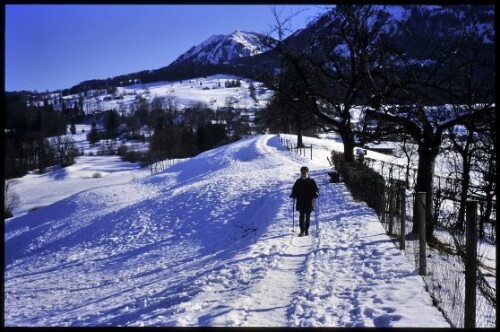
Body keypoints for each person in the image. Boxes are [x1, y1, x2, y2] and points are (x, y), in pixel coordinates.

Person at [290, 166, 319, 237]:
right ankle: (302, 231)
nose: (303, 173)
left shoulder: (312, 181)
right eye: (302, 172)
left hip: (309, 201)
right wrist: (293, 194)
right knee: (301, 217)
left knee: (308, 217)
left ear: (307, 172)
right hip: (300, 201)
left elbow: (316, 189)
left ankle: (306, 230)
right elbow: (294, 190)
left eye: (304, 172)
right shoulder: (298, 181)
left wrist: (316, 193)